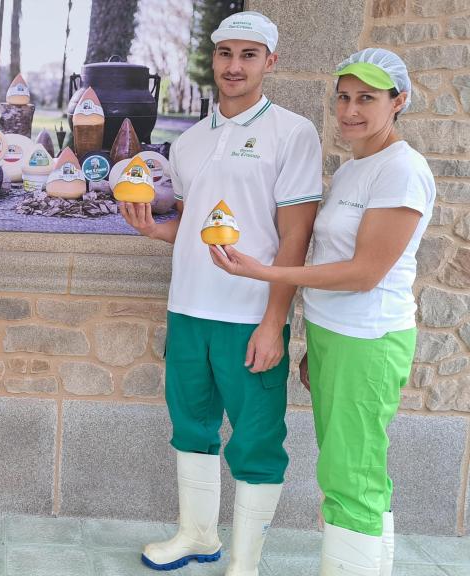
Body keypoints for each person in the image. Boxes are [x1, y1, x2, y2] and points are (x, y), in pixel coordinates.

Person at [209, 48, 433, 576]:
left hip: (369, 340)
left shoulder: (402, 170)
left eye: (367, 99)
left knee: (348, 474)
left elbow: (363, 273)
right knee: (354, 469)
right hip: (338, 337)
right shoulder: (359, 165)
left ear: (398, 101)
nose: (351, 110)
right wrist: (313, 342)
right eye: (344, 98)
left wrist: (265, 274)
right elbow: (333, 260)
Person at [120, 11, 323, 573]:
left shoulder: (293, 132)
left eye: (249, 55)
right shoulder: (190, 141)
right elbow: (195, 226)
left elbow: (295, 236)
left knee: (256, 440)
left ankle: (245, 560)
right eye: (226, 53)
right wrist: (155, 230)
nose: (234, 66)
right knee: (191, 427)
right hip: (187, 309)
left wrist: (273, 321)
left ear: (270, 62)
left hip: (248, 315)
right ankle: (196, 535)